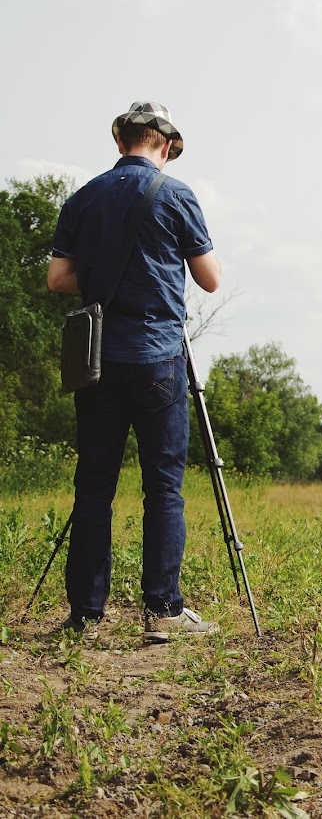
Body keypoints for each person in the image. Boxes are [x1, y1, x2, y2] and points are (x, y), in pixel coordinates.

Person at [47, 101, 222, 643]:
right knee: (163, 487)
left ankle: (85, 616)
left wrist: (103, 279)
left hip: (97, 361)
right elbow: (210, 279)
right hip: (158, 358)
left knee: (94, 486)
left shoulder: (84, 197)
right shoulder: (176, 195)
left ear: (121, 139)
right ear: (165, 144)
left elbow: (58, 279)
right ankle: (163, 611)